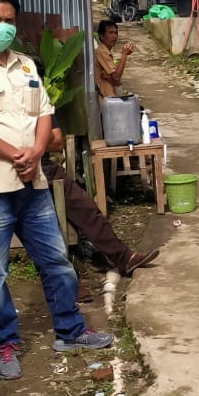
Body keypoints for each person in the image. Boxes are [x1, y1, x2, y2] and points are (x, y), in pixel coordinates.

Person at [0, 0, 113, 381]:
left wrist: (35, 154)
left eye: (9, 21)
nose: (3, 28)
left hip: (31, 184)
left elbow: (44, 117)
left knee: (56, 259)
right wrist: (15, 155)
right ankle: (3, 342)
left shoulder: (25, 65)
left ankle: (70, 331)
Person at [41, 116, 159, 277]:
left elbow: (56, 141)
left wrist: (35, 139)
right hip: (11, 175)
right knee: (43, 230)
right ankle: (65, 285)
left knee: (87, 209)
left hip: (44, 168)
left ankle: (124, 258)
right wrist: (38, 136)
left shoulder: (35, 97)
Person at [94, 19, 134, 99]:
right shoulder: (102, 52)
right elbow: (116, 77)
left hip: (109, 99)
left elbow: (115, 81)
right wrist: (124, 55)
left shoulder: (105, 52)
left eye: (116, 33)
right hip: (105, 99)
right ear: (101, 36)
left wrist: (109, 77)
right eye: (111, 33)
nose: (114, 36)